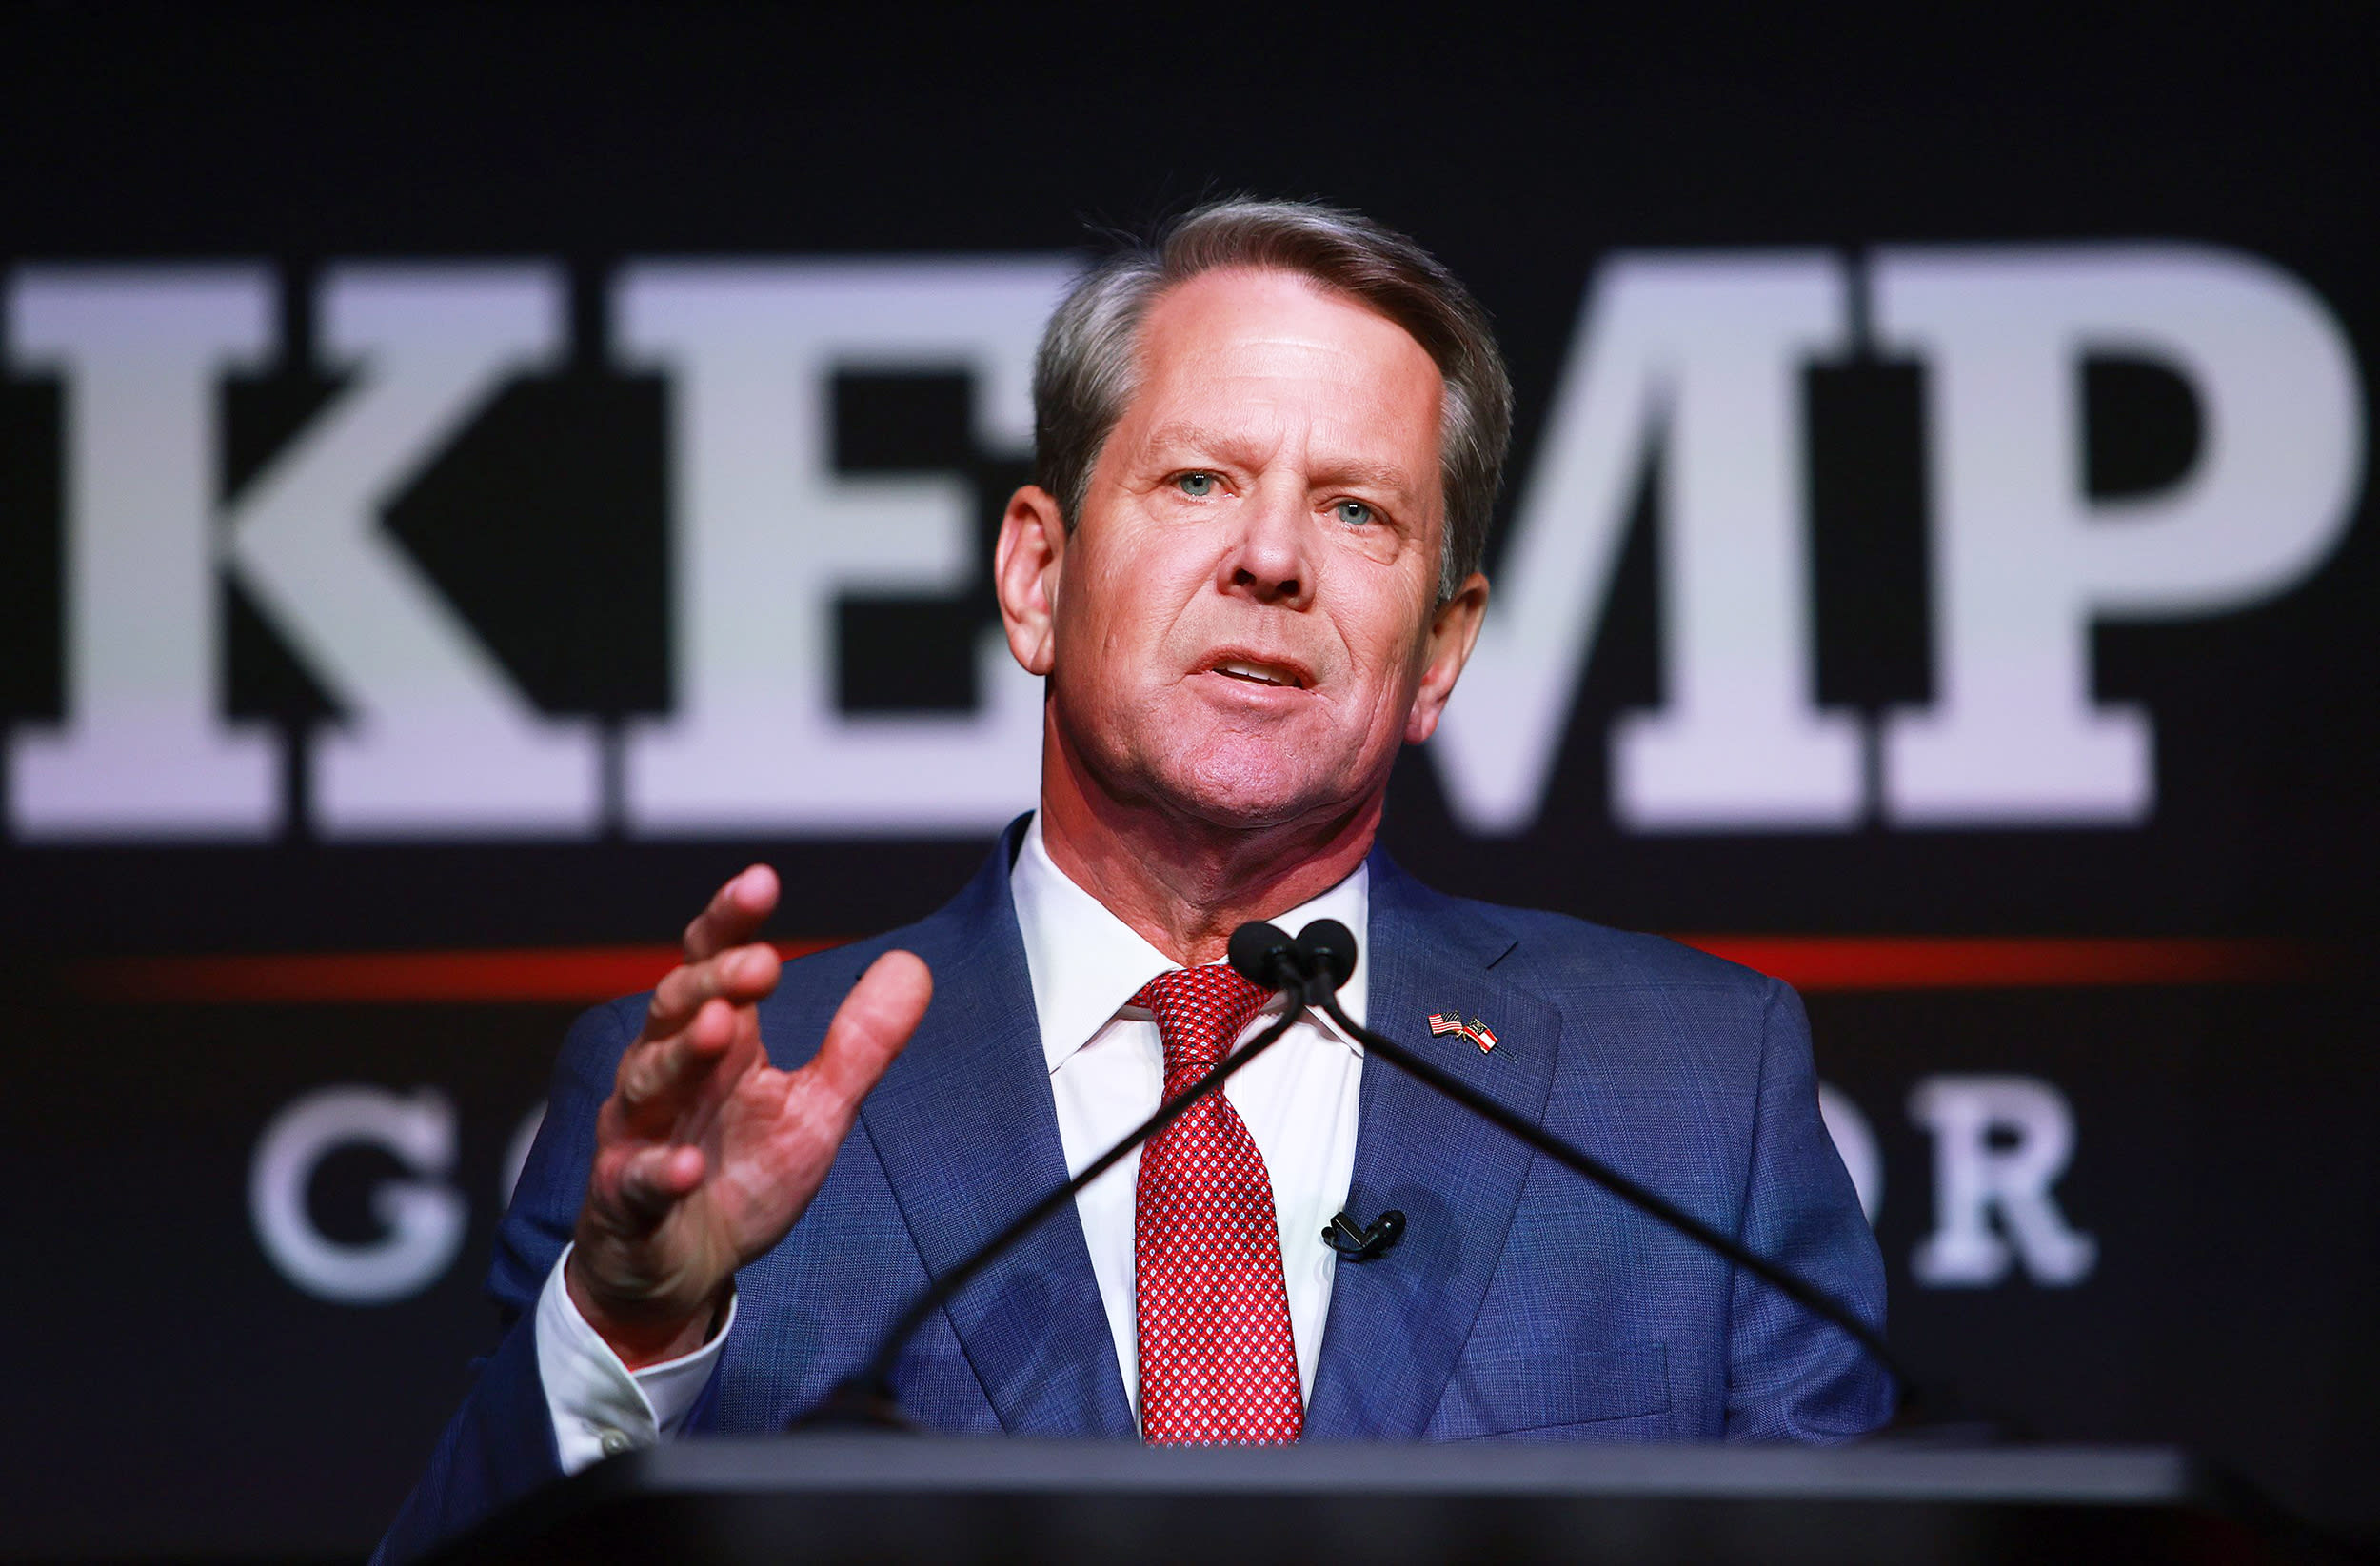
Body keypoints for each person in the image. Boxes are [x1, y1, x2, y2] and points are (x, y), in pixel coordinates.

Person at [376, 198, 1891, 1561]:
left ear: (1440, 649)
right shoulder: (717, 1112)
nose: (1274, 558)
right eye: (1198, 481)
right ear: (1038, 575)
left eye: (1358, 511)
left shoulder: (1689, 1094)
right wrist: (635, 1321)